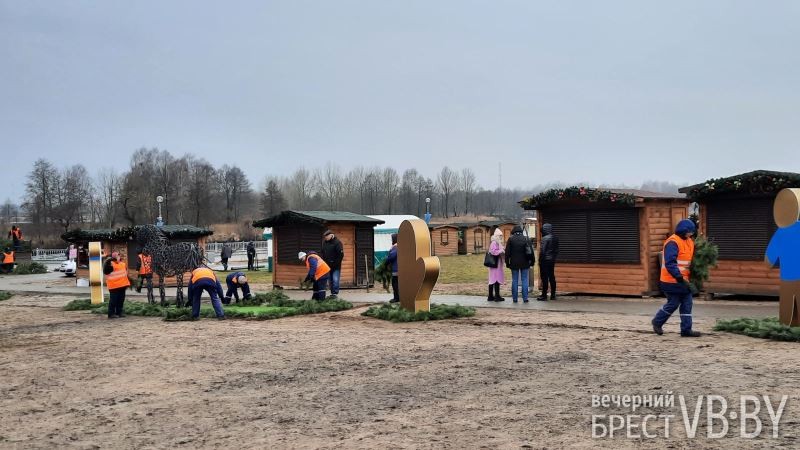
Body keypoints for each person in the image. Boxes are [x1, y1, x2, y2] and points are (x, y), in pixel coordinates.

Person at [651, 219, 701, 337]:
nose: (691, 234)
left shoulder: (689, 241)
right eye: (690, 232)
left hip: (684, 280)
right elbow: (670, 263)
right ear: (684, 231)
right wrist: (678, 276)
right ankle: (657, 322)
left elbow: (689, 259)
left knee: (687, 304)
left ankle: (686, 330)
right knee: (673, 303)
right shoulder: (672, 242)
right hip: (671, 280)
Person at [505, 225, 534, 303]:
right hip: (525, 263)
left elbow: (507, 253)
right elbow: (531, 252)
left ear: (513, 232)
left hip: (514, 263)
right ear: (521, 231)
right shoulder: (526, 238)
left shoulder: (510, 239)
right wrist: (532, 262)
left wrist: (507, 263)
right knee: (524, 280)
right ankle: (525, 298)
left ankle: (515, 299)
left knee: (515, 280)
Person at [103, 251, 130, 319]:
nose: (118, 256)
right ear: (114, 257)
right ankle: (111, 313)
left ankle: (119, 312)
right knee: (113, 300)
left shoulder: (122, 264)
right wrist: (109, 260)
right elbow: (106, 271)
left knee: (120, 300)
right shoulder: (110, 264)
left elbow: (125, 274)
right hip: (114, 286)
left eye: (118, 255)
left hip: (122, 285)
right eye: (117, 255)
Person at [537, 223, 560, 301]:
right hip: (552, 260)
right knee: (552, 277)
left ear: (545, 230)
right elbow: (556, 251)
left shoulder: (544, 238)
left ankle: (544, 295)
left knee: (544, 278)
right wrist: (553, 257)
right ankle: (553, 295)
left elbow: (542, 251)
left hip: (544, 261)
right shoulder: (556, 238)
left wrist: (540, 261)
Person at [321, 230, 344, 299]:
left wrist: (336, 263)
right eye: (325, 237)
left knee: (335, 279)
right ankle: (332, 293)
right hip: (327, 265)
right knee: (330, 280)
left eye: (327, 237)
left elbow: (341, 255)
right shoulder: (325, 242)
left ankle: (335, 293)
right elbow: (323, 252)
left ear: (331, 235)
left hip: (336, 266)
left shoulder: (337, 243)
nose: (326, 238)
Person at [487, 228, 506, 302]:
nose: (501, 237)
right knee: (495, 279)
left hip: (496, 264)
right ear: (497, 236)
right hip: (495, 264)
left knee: (493, 280)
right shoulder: (494, 242)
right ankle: (496, 296)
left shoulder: (497, 242)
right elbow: (493, 252)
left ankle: (491, 296)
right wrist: (501, 251)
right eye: (500, 236)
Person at [386, 233, 399, 303]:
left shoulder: (395, 247)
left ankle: (396, 298)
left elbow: (391, 257)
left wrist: (386, 262)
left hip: (396, 269)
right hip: (401, 269)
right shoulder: (402, 246)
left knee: (395, 284)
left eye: (392, 238)